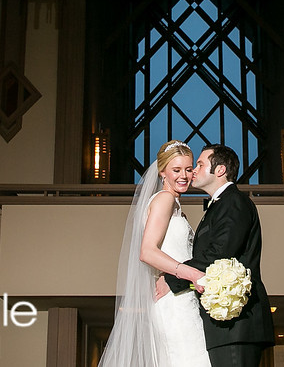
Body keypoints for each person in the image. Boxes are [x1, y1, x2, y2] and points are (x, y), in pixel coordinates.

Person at [99, 140, 211, 367]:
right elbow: (147, 251)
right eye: (176, 170)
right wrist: (191, 274)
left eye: (189, 169)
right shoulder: (165, 199)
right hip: (175, 306)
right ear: (162, 172)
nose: (184, 175)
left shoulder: (174, 204)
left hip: (180, 297)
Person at [162, 145, 275, 367]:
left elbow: (220, 252)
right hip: (225, 324)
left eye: (201, 164)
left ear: (220, 170)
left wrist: (171, 278)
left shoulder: (234, 201)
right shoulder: (219, 205)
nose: (194, 170)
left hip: (237, 322)